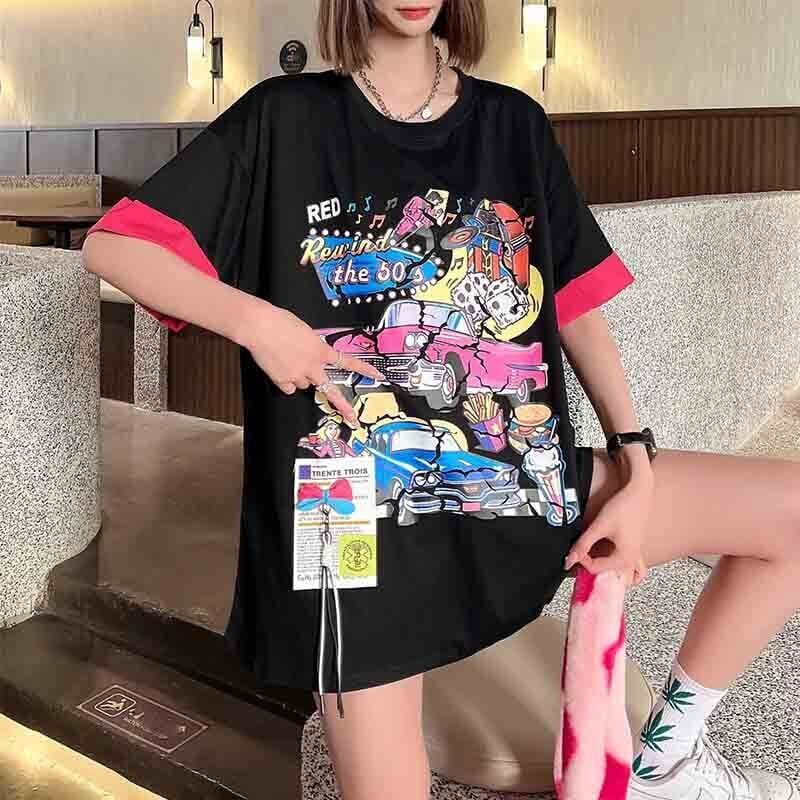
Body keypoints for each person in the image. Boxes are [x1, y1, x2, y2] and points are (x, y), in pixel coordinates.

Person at [81, 2, 800, 798]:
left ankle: (663, 759)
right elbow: (115, 247)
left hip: (518, 484)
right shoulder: (283, 118)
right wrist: (258, 322)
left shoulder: (513, 124)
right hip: (350, 521)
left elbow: (572, 304)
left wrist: (636, 459)